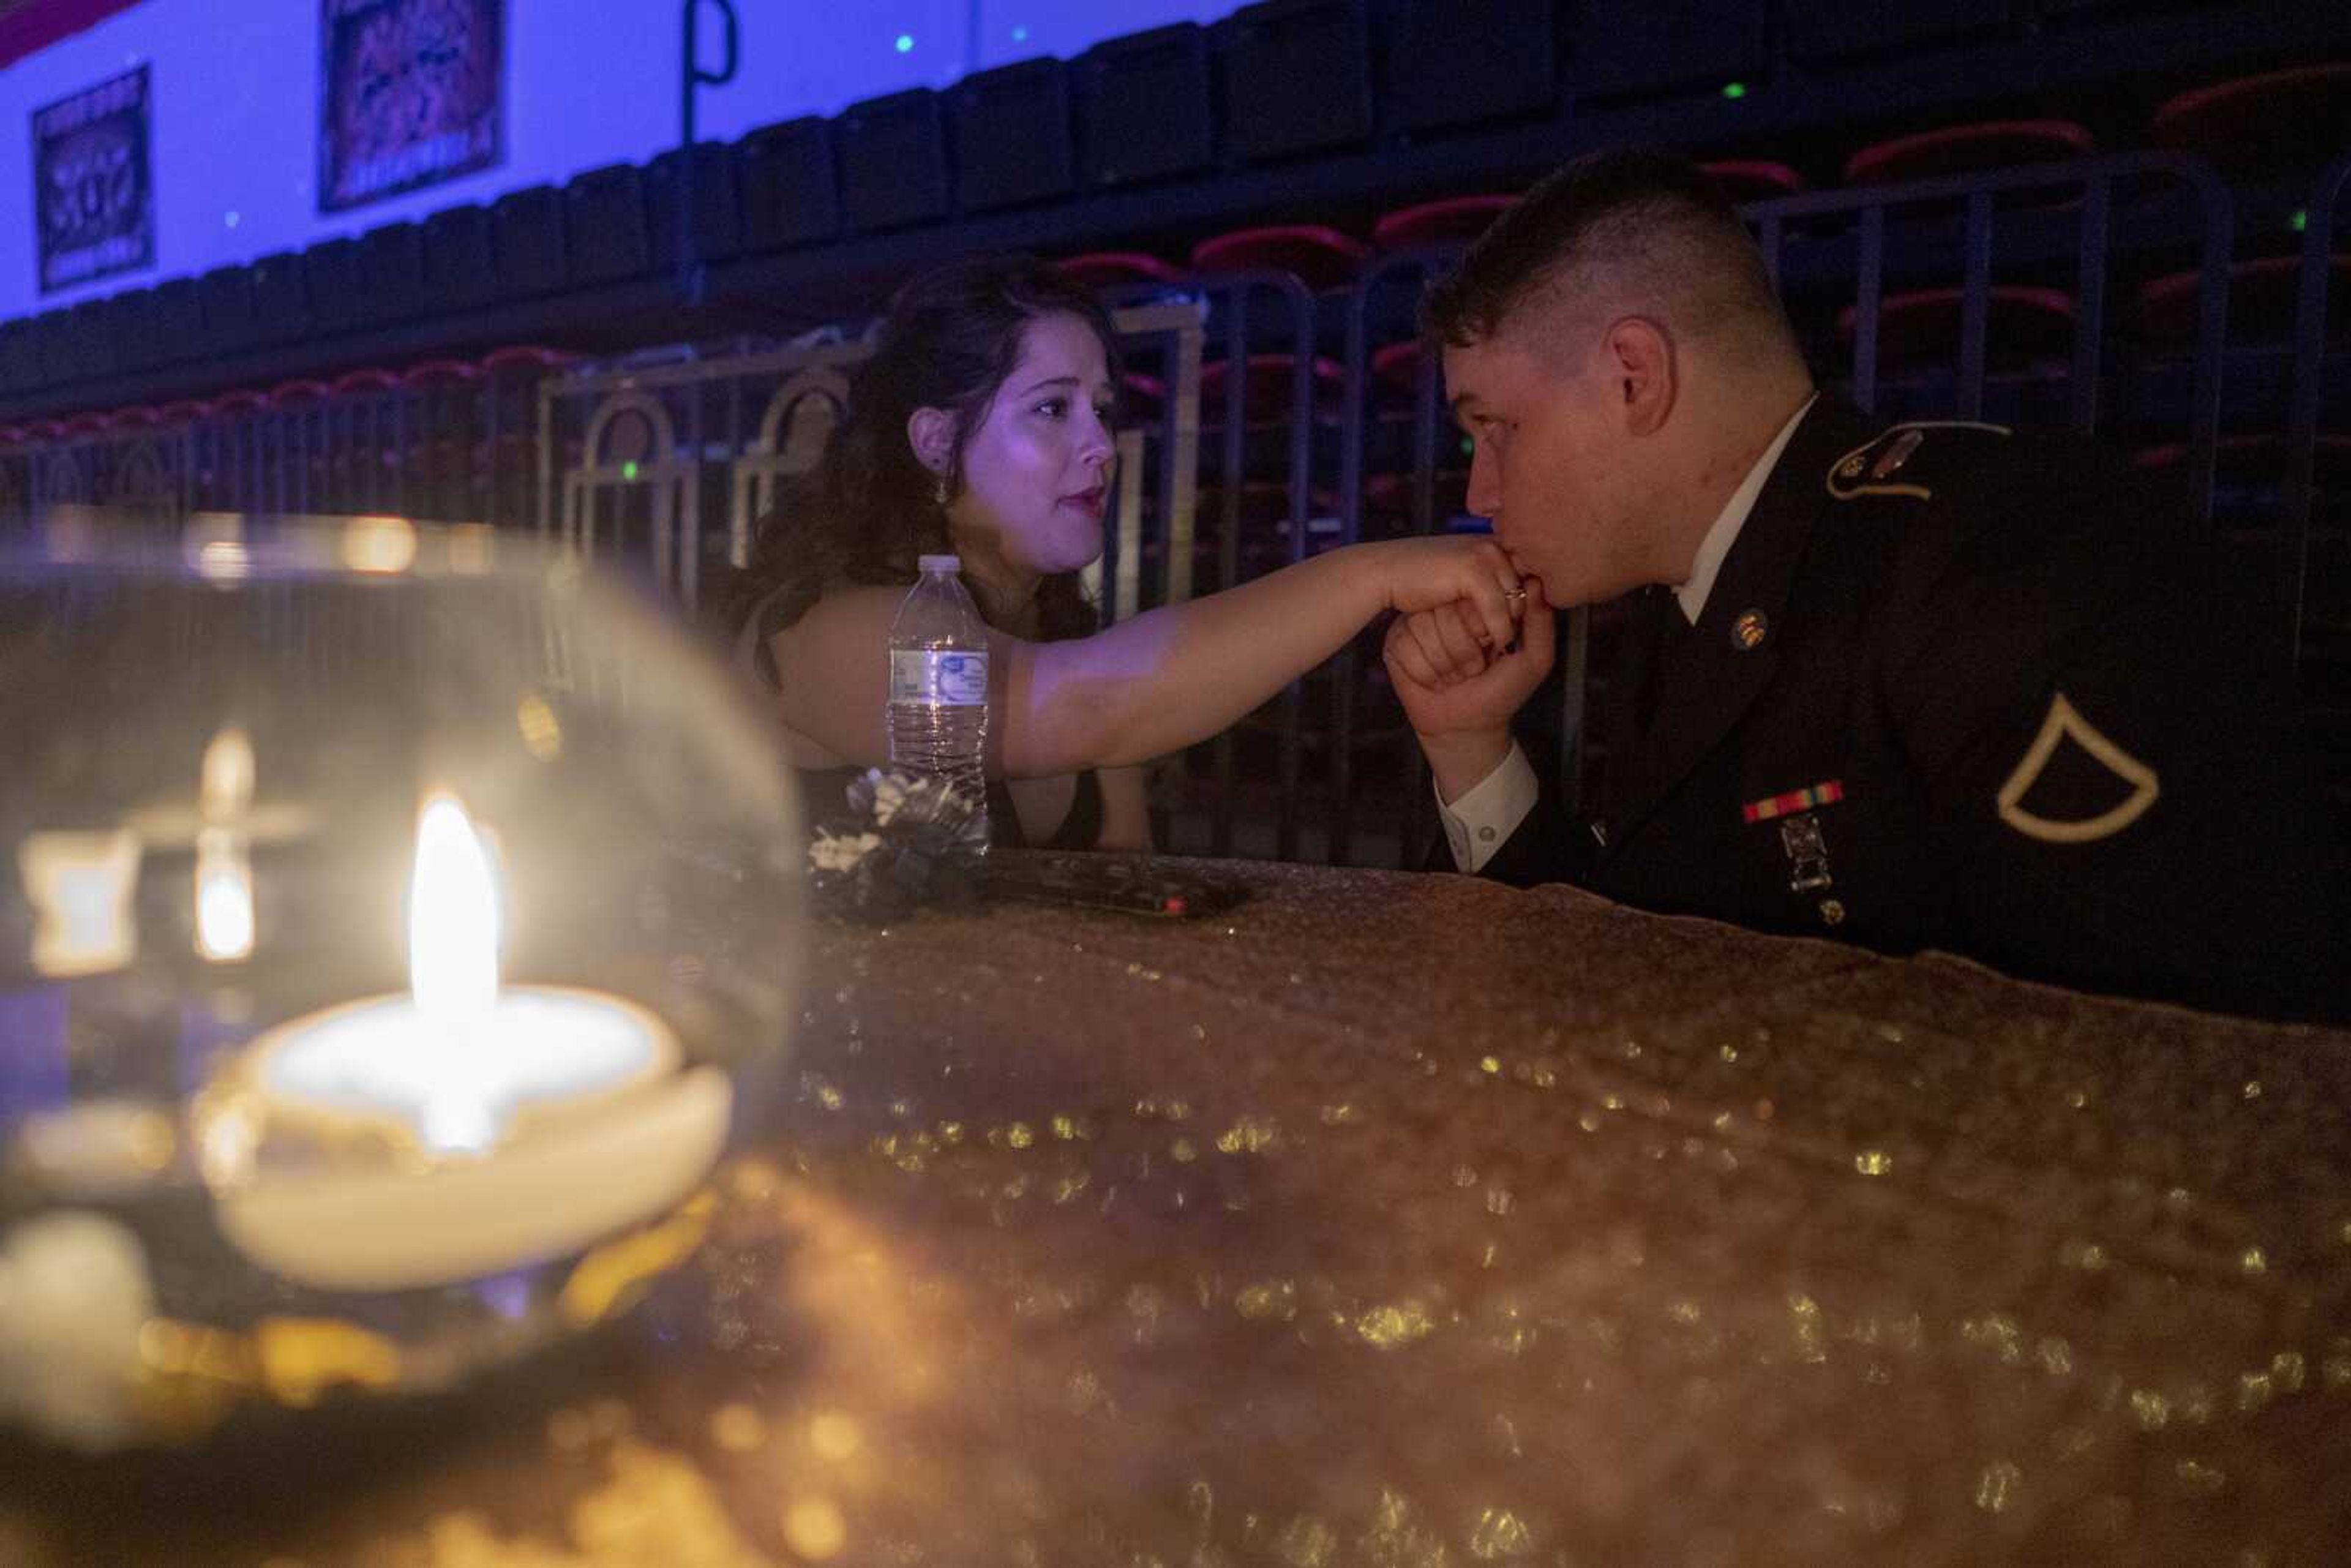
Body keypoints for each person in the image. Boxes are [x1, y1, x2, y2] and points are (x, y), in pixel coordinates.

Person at [1383, 147, 2344, 1020]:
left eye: (1495, 427)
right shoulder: (1696, 590)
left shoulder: (2003, 554)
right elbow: (1615, 960)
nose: (1479, 489)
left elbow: (2168, 1058)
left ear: (1634, 377)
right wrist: (1471, 746)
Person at [730, 255, 1523, 851]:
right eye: (1052, 408)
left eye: (1103, 411)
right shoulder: (837, 628)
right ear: (936, 440)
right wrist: (1372, 572)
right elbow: (1089, 707)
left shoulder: (1059, 632)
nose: (1101, 446)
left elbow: (1125, 878)